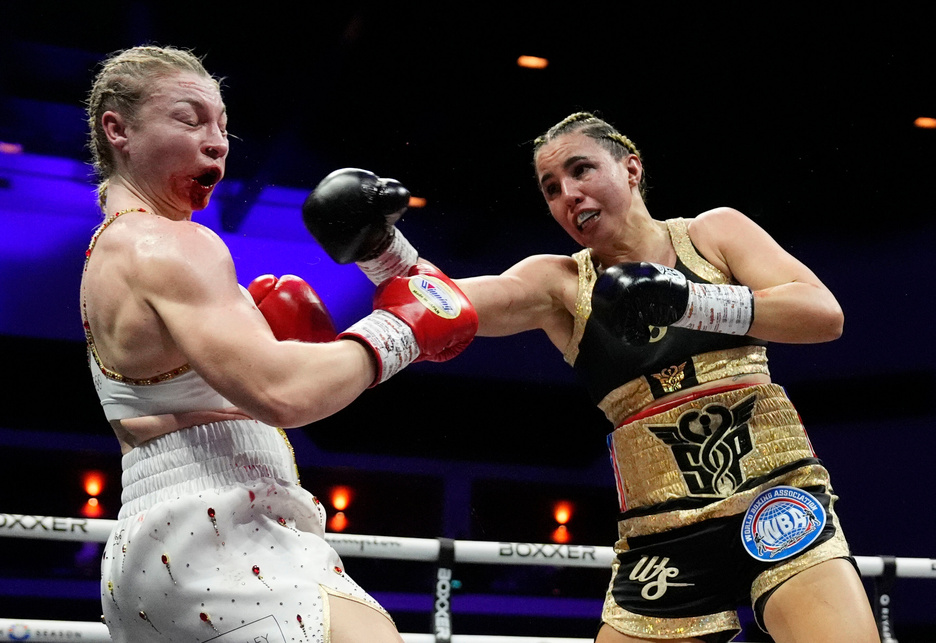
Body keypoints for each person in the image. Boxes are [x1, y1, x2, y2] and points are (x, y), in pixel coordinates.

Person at [301, 113, 880, 642]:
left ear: (631, 169)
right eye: (551, 188)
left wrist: (685, 301)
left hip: (775, 496)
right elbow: (445, 305)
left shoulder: (713, 234)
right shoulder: (559, 286)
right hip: (662, 534)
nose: (568, 194)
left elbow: (822, 315)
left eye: (581, 170)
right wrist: (382, 249)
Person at [81, 45, 477, 643]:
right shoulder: (173, 245)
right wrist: (399, 328)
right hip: (219, 530)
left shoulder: (110, 252)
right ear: (119, 131)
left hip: (161, 540)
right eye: (189, 120)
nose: (217, 142)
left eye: (222, 126)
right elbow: (282, 392)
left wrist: (393, 272)